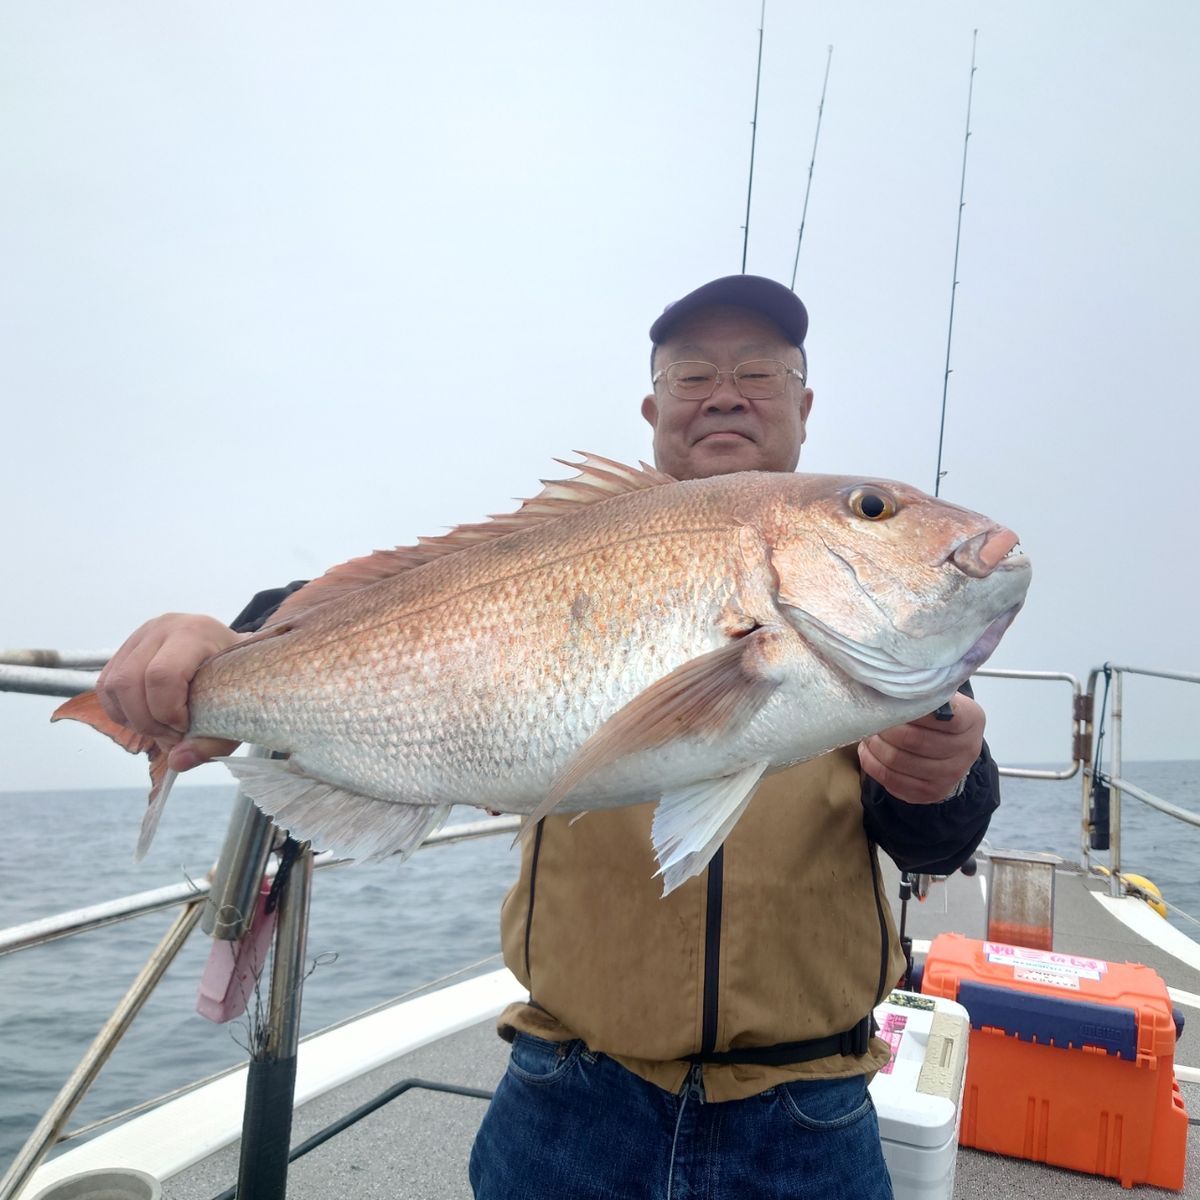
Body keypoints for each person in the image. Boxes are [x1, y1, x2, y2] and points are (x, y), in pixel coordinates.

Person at [95, 275, 999, 1200]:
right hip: (570, 1089)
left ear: (804, 406)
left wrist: (946, 777)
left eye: (759, 371)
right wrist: (227, 646)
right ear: (653, 409)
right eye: (692, 374)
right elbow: (421, 601)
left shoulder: (883, 635)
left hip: (807, 1107)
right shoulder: (568, 535)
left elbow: (937, 839)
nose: (725, 391)